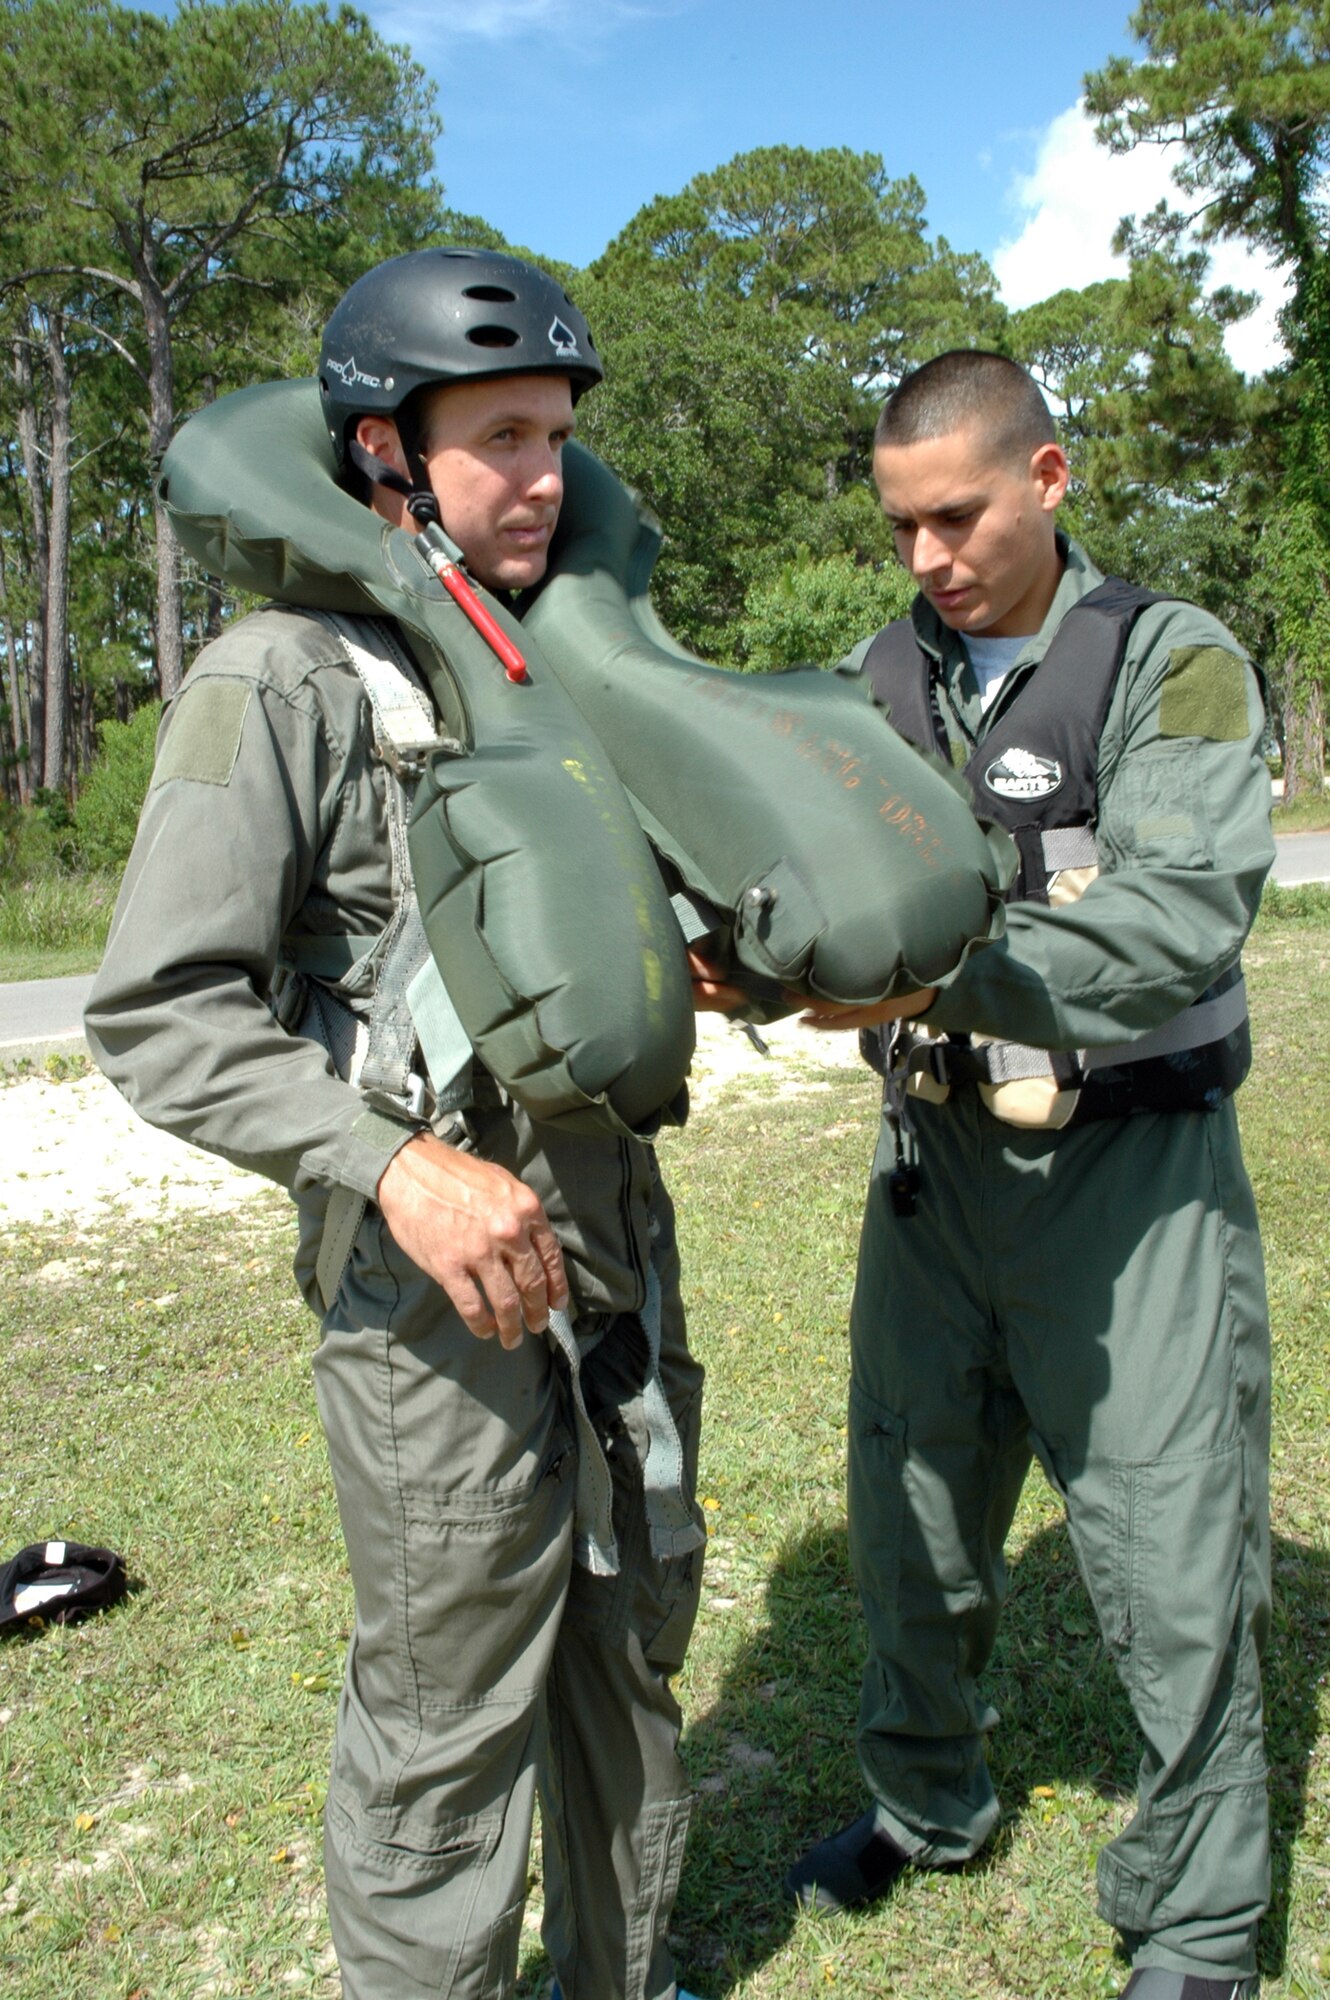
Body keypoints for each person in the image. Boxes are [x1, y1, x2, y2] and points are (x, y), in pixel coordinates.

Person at [86, 248, 710, 2000]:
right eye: (498, 436)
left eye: (559, 436)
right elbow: (159, 1011)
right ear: (382, 454)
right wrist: (399, 1168)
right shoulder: (275, 680)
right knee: (445, 1717)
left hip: (612, 1244)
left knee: (626, 1649)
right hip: (425, 1295)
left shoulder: (555, 665)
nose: (542, 475)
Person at [785, 351, 1274, 2000]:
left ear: (1048, 479)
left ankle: (1196, 1919)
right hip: (931, 1170)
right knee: (907, 1507)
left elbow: (1179, 915)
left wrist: (936, 975)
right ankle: (924, 1805)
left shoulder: (1165, 660)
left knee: (1167, 1546)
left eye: (955, 516)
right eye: (898, 527)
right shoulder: (877, 676)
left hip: (1126, 1185)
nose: (924, 559)